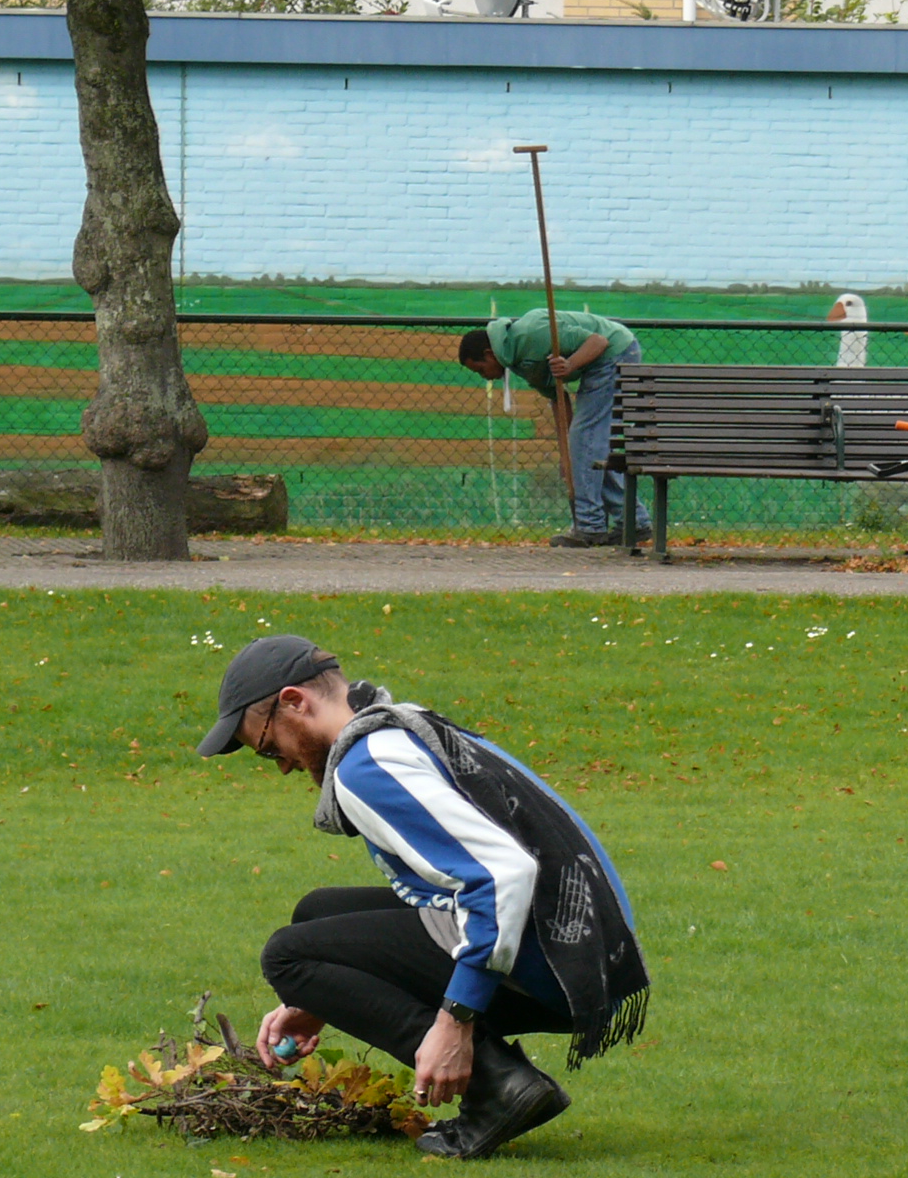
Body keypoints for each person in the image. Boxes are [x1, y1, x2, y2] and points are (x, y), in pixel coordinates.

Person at [197, 635, 650, 1161]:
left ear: (295, 701)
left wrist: (453, 1021)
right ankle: (497, 1078)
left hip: (558, 963)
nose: (282, 765)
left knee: (287, 954)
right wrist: (323, 996)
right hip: (580, 948)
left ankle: (497, 1087)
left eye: (271, 746)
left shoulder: (366, 766)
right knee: (317, 913)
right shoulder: (397, 728)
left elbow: (501, 875)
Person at [459, 309, 653, 548]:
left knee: (587, 443)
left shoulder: (533, 334)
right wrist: (568, 457)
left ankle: (590, 526)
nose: (485, 378)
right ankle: (633, 521)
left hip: (616, 352)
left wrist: (570, 364)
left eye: (480, 369)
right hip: (603, 361)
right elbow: (559, 401)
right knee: (587, 447)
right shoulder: (521, 363)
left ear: (489, 353)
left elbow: (598, 342)